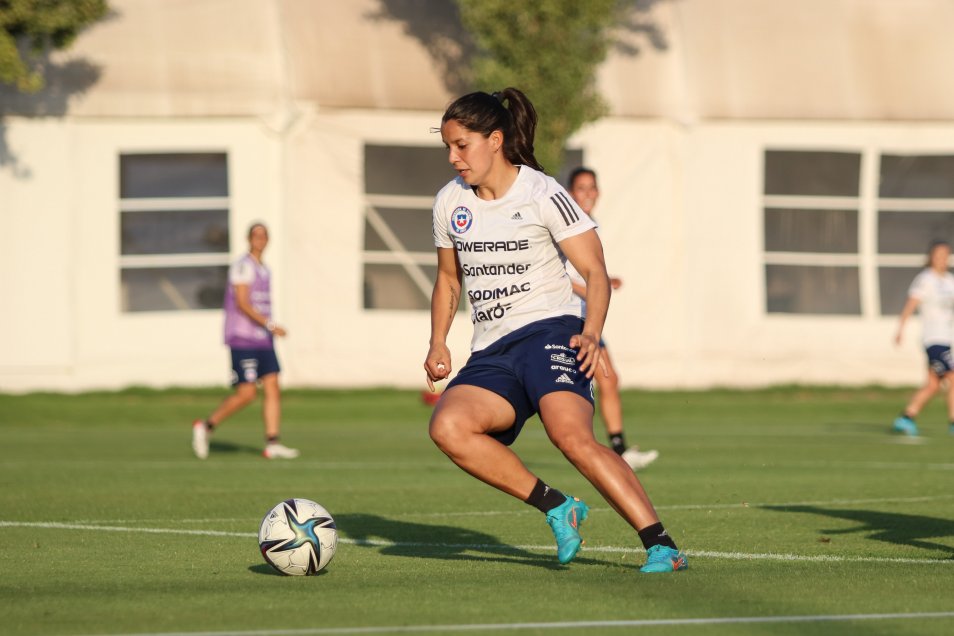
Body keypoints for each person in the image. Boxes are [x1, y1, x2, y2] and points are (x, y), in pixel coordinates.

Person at [423, 88, 687, 573]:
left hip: (551, 332)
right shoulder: (449, 203)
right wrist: (439, 340)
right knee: (448, 427)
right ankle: (558, 506)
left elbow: (596, 271)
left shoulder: (542, 192)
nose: (452, 157)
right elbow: (446, 279)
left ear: (495, 140)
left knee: (571, 437)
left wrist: (591, 332)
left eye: (461, 145)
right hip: (492, 350)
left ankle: (661, 544)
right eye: (448, 146)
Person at [565, 167, 659, 470]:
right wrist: (596, 286)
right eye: (581, 188)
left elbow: (586, 271)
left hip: (585, 315)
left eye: (592, 187)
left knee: (608, 378)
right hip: (567, 315)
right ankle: (598, 451)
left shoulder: (591, 223)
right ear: (570, 191)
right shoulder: (566, 222)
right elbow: (560, 277)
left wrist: (604, 280)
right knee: (576, 386)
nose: (588, 193)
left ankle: (617, 451)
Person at [191, 222, 300, 460]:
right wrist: (270, 325)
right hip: (243, 338)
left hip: (263, 339)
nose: (260, 239)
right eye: (256, 235)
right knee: (247, 394)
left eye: (264, 235)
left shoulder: (265, 269)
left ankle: (272, 442)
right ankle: (206, 426)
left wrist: (268, 330)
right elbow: (242, 302)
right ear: (248, 239)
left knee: (273, 387)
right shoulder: (243, 267)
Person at [892, 239, 954, 437]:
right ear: (931, 258)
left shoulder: (950, 281)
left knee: (933, 385)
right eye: (938, 256)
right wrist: (901, 328)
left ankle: (906, 417)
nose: (942, 259)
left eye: (945, 256)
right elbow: (911, 304)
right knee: (953, 377)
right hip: (933, 339)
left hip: (948, 339)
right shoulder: (925, 279)